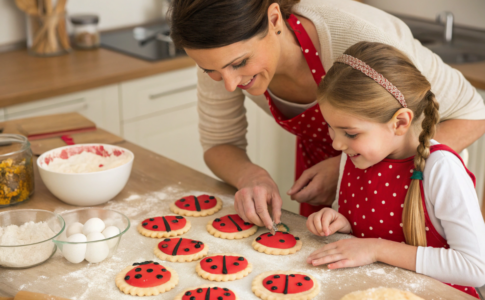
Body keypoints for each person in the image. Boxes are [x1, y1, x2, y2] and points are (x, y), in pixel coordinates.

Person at [169, 0, 485, 231]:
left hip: (414, 183)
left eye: (240, 63)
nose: (229, 84)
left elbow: (474, 114)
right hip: (332, 183)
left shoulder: (359, 37)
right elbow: (219, 142)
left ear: (274, 18)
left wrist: (344, 166)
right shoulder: (219, 56)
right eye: (210, 70)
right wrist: (252, 177)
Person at [305, 41, 485, 298]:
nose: (336, 143)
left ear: (400, 122)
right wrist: (342, 224)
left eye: (350, 133)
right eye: (331, 128)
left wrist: (376, 249)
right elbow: (367, 231)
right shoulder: (356, 155)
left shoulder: (441, 169)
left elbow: (474, 268)